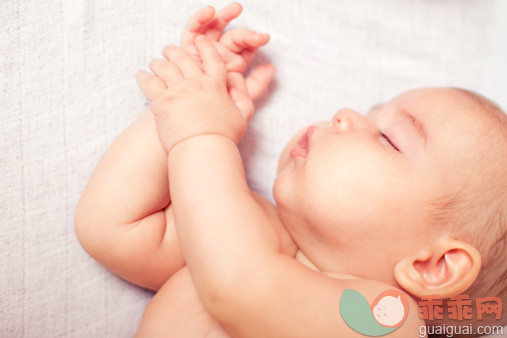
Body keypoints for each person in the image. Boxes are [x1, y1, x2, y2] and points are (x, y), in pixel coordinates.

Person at [74, 3, 507, 337]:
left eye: (387, 139)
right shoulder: (256, 227)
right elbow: (114, 230)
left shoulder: (388, 319)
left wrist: (202, 132)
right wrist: (187, 101)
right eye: (372, 111)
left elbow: (239, 285)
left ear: (434, 266)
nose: (345, 114)